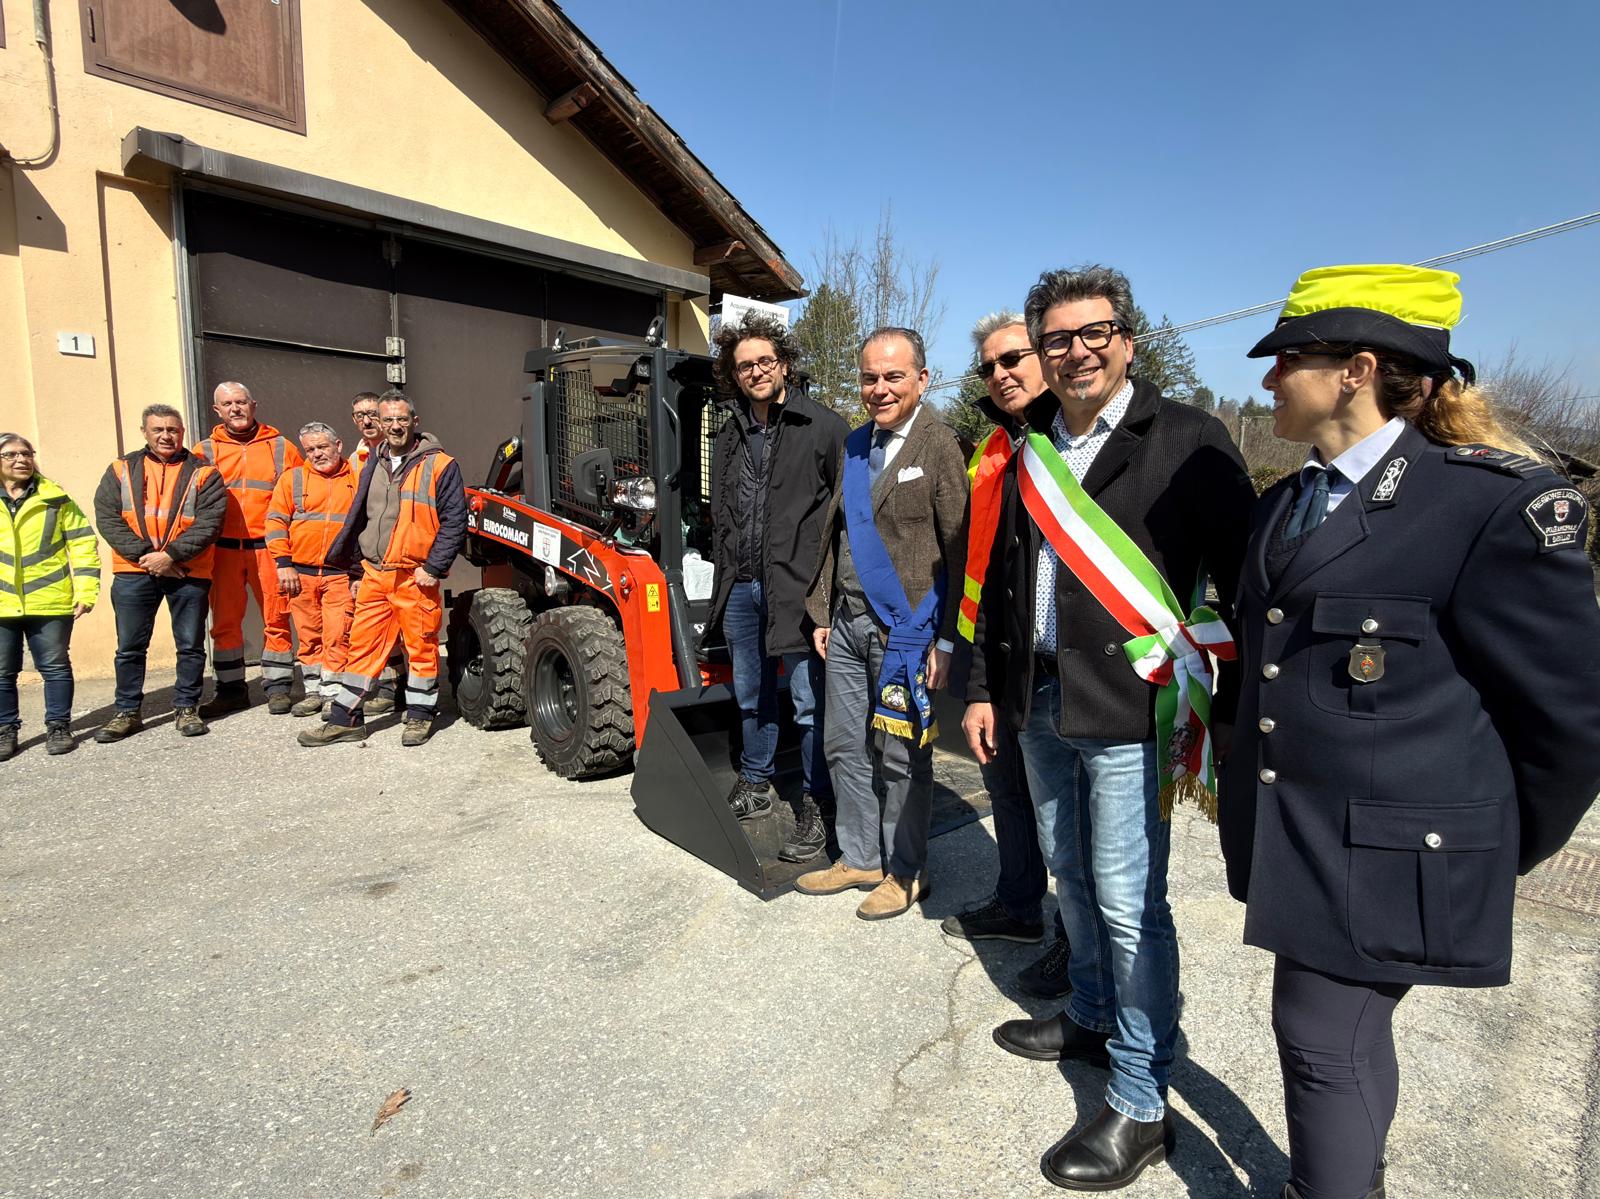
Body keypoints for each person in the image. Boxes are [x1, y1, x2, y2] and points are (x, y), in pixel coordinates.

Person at [1219, 263, 1600, 1199]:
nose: (1268, 379)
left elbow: (1567, 716)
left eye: (1287, 361)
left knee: (1319, 1038)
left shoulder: (1488, 504)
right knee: (1341, 1038)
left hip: (1394, 852)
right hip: (1305, 838)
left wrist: (1489, 845)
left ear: (1355, 370)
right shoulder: (1285, 502)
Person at [964, 265, 1255, 1190]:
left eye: (1095, 333)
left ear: (1127, 339)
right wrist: (985, 685)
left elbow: (1248, 583)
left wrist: (1226, 701)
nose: (1076, 352)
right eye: (1057, 339)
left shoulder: (1188, 438)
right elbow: (1003, 580)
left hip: (1134, 710)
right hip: (1041, 697)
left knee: (1131, 906)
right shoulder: (1032, 443)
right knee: (1073, 876)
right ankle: (1090, 1013)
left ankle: (1139, 1096)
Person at [796, 327, 968, 920]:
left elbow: (959, 547)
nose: (880, 388)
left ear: (922, 378)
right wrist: (823, 610)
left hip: (906, 632)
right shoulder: (854, 444)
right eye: (870, 377)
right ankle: (861, 857)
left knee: (899, 754)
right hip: (845, 623)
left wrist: (947, 638)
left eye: (894, 376)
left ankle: (906, 870)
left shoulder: (940, 445)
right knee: (844, 745)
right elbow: (836, 533)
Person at [941, 313, 1071, 996]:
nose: (1000, 374)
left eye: (1012, 358)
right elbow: (975, 558)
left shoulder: (1068, 441)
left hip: (1056, 663)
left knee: (1067, 816)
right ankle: (1020, 905)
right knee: (1007, 788)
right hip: (990, 647)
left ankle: (1076, 939)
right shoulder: (994, 445)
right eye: (989, 365)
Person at [706, 313, 846, 859]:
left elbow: (844, 517)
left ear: (784, 364)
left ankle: (817, 801)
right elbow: (723, 512)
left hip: (798, 589)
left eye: (766, 361)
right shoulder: (728, 433)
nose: (756, 372)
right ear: (735, 374)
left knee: (810, 702)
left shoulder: (825, 428)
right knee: (750, 693)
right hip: (742, 586)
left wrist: (829, 593)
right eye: (745, 366)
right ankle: (757, 781)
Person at [298, 389, 466, 748]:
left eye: (402, 419)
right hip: (375, 573)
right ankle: (345, 720)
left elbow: (455, 521)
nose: (395, 426)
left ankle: (420, 715)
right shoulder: (373, 461)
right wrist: (357, 572)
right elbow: (362, 518)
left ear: (415, 422)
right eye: (388, 419)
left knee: (420, 646)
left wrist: (434, 567)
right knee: (360, 647)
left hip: (415, 576)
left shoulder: (441, 465)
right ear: (380, 422)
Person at [92, 404, 227, 741]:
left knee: (190, 645)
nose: (166, 436)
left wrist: (171, 556)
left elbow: (210, 522)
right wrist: (146, 556)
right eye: (158, 430)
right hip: (134, 571)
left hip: (188, 571)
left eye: (173, 430)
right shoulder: (121, 469)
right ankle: (126, 712)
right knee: (130, 647)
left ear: (182, 432)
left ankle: (187, 708)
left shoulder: (204, 473)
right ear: (145, 432)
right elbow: (107, 517)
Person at [194, 381, 303, 716]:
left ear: (254, 405)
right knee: (224, 623)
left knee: (277, 616)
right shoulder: (203, 451)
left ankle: (279, 688)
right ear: (217, 410)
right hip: (223, 550)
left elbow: (300, 499)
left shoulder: (282, 447)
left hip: (268, 548)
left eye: (241, 402)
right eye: (228, 404)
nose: (235, 409)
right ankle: (230, 691)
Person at [0, 435, 100, 759]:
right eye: (11, 454)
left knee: (55, 667)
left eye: (26, 453)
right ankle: (5, 730)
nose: (21, 459)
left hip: (51, 599)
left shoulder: (55, 498)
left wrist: (86, 590)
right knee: (2, 672)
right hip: (2, 604)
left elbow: (83, 544)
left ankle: (58, 727)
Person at [265, 422, 359, 718]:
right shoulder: (292, 479)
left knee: (338, 634)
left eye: (322, 447)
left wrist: (358, 572)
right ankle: (313, 692)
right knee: (309, 637)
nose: (317, 454)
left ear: (338, 446)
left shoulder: (357, 479)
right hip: (300, 574)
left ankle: (333, 695)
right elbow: (275, 522)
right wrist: (283, 563)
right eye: (310, 449)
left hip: (339, 574)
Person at [350, 390, 400, 714]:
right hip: (371, 557)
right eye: (360, 415)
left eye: (372, 414)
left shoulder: (401, 455)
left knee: (406, 628)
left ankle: (406, 691)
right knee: (376, 627)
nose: (367, 421)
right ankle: (389, 688)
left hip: (399, 554)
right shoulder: (355, 460)